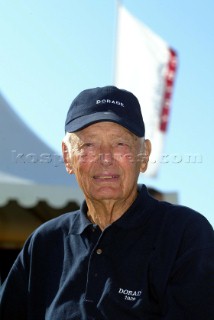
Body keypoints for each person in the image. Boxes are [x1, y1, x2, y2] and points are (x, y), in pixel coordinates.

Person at [0, 86, 213, 320]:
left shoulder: (186, 234)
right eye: (88, 145)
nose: (105, 158)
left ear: (144, 156)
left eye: (120, 143)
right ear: (67, 157)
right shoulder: (44, 243)